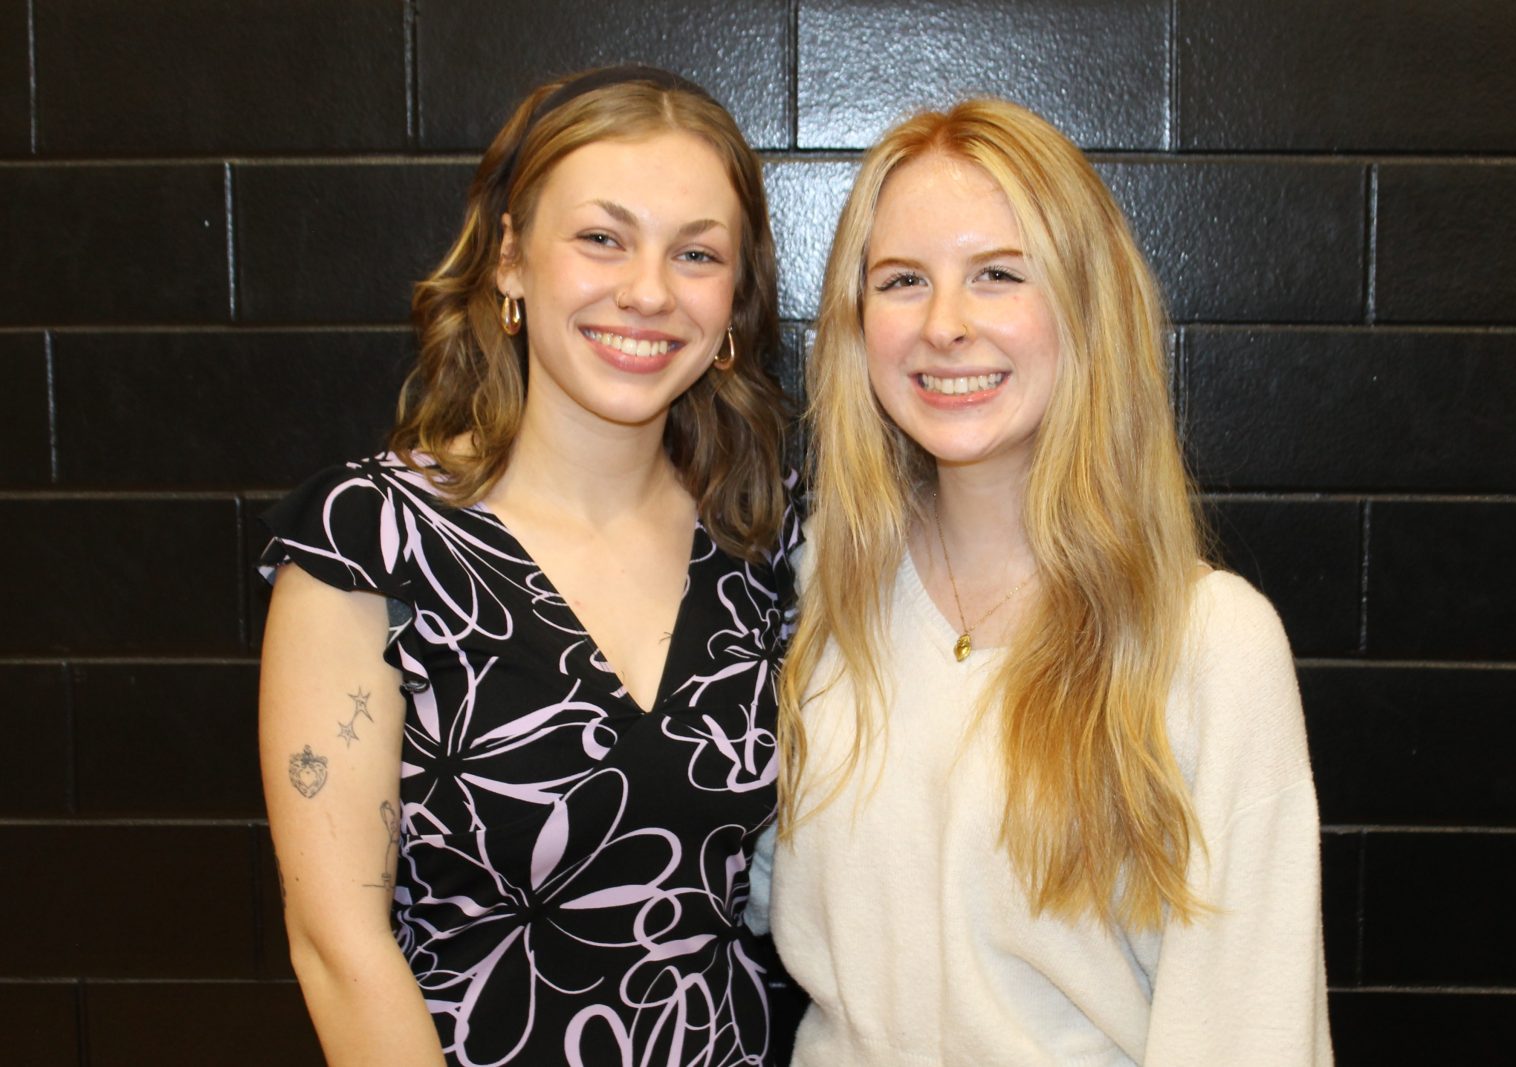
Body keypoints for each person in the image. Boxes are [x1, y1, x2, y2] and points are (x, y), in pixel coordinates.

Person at [768, 99, 1333, 1065]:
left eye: (997, 274)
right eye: (903, 280)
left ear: (1083, 305)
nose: (945, 325)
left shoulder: (1209, 644)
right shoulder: (815, 583)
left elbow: (1251, 1030)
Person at [258, 66, 798, 1067]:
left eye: (696, 253)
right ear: (510, 259)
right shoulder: (373, 539)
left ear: (734, 300)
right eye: (602, 237)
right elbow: (338, 946)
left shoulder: (764, 536)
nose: (647, 290)